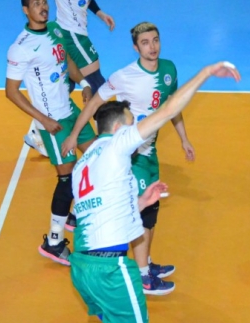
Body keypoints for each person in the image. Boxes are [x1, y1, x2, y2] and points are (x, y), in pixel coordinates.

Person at [69, 60, 240, 323]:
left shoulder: (85, 162)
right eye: (133, 122)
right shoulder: (118, 145)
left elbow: (96, 212)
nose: (137, 127)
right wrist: (205, 73)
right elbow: (168, 110)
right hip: (111, 268)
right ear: (119, 127)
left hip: (83, 266)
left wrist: (141, 201)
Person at [63, 22, 195, 296]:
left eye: (155, 40)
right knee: (142, 214)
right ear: (136, 48)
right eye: (145, 42)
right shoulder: (124, 76)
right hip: (133, 156)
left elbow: (172, 108)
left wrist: (183, 138)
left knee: (151, 213)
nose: (152, 47)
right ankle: (144, 276)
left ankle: (146, 263)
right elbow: (94, 103)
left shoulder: (169, 69)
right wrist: (74, 134)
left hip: (151, 151)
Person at [5, 0, 97, 266]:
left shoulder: (55, 30)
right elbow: (11, 91)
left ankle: (74, 216)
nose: (43, 7)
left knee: (96, 158)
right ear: (25, 11)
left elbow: (67, 60)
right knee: (66, 180)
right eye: (36, 4)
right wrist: (43, 121)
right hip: (53, 123)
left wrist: (83, 84)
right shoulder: (20, 47)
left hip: (71, 112)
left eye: (44, 2)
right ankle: (54, 242)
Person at [22, 0, 117, 156]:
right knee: (97, 83)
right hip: (71, 34)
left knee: (67, 84)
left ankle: (38, 134)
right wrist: (38, 27)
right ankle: (105, 139)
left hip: (76, 30)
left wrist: (99, 13)